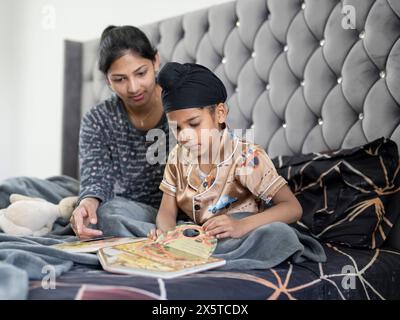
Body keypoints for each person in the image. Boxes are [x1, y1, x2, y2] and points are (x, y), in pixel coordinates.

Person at [149, 62, 326, 267]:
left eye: (194, 123)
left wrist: (241, 226)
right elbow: (166, 212)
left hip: (238, 235)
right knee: (116, 212)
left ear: (220, 113)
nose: (185, 136)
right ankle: (189, 253)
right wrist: (167, 236)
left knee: (280, 235)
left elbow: (292, 208)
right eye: (176, 128)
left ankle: (201, 257)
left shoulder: (246, 156)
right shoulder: (177, 157)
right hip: (192, 234)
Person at [70, 25, 171, 239]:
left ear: (156, 62)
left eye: (141, 73)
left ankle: (169, 235)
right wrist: (87, 204)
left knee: (108, 217)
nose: (133, 87)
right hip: (122, 205)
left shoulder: (182, 108)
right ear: (107, 80)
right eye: (120, 79)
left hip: (171, 208)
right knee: (101, 214)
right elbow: (96, 177)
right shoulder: (97, 119)